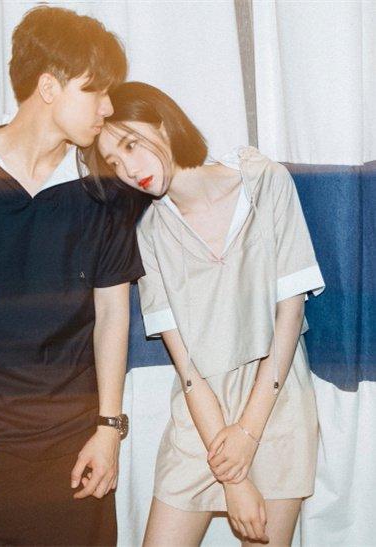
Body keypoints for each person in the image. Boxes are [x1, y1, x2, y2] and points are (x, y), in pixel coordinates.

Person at [0, 7, 145, 546]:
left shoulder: (104, 186)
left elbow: (113, 313)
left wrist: (109, 430)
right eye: (95, 90)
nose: (108, 108)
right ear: (48, 87)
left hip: (76, 455)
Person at [82, 81, 325, 546]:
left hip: (275, 408)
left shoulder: (264, 180)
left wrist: (248, 434)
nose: (128, 169)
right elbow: (188, 368)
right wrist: (234, 478)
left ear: (161, 122)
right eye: (113, 162)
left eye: (130, 145)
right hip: (201, 419)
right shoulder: (148, 233)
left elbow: (289, 320)